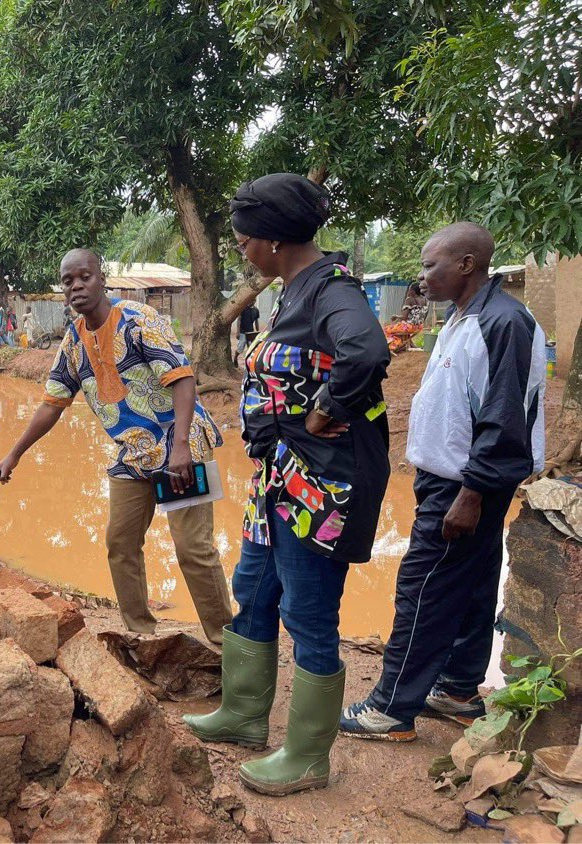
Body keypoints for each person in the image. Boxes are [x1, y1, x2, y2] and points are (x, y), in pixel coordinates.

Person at [183, 173, 390, 797]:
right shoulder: (293, 291)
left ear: (272, 241)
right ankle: (245, 716)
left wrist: (323, 412)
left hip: (320, 489)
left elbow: (367, 352)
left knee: (309, 612)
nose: (241, 251)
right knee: (255, 590)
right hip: (277, 481)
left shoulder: (332, 291)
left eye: (245, 240)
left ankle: (306, 756)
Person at [341, 223, 546, 741]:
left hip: (465, 486)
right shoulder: (464, 317)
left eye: (431, 264)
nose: (422, 274)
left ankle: (390, 710)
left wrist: (472, 493)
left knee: (423, 590)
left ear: (467, 265)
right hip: (452, 480)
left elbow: (504, 418)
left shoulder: (504, 323)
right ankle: (457, 689)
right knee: (473, 584)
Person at [0, 249, 233, 646]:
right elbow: (52, 404)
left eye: (83, 277)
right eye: (68, 281)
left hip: (178, 447)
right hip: (133, 454)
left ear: (101, 278)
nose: (76, 286)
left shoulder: (141, 321)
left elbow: (182, 378)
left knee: (193, 548)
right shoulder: (73, 340)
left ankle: (228, 646)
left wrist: (182, 446)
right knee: (120, 543)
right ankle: (141, 635)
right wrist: (13, 454)